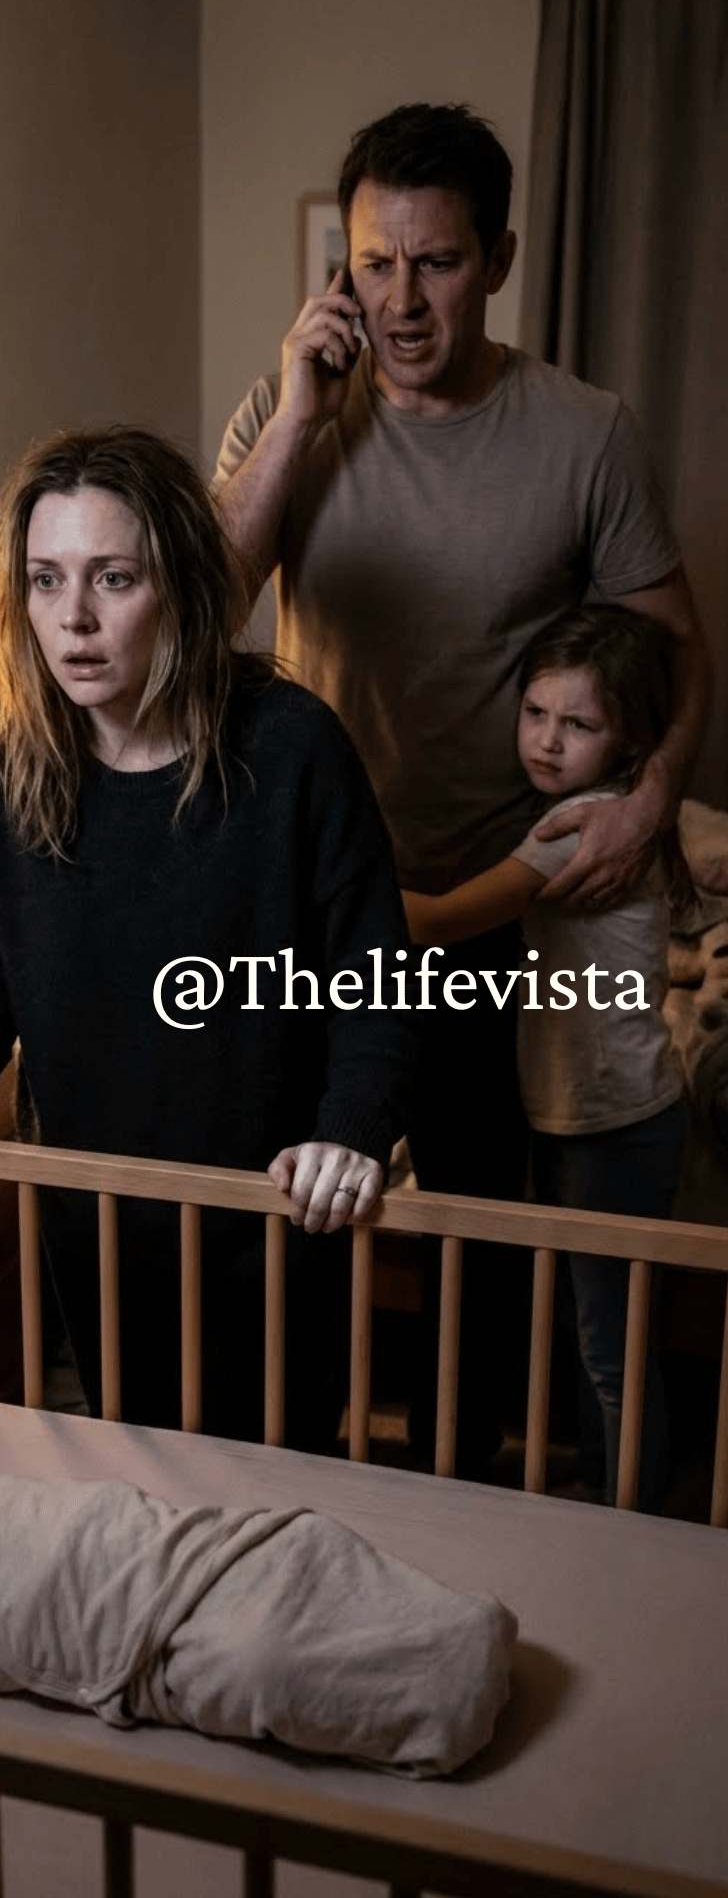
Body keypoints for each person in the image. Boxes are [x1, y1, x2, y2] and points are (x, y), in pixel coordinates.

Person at [213, 100, 708, 1474]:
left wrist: (650, 799)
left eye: (435, 263)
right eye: (375, 263)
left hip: (490, 906)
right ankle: (289, 1487)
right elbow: (203, 608)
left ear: (498, 258)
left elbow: (677, 649)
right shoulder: (290, 408)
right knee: (299, 1217)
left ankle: (469, 1490)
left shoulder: (586, 432)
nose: (402, 300)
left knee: (480, 1239)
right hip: (319, 902)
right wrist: (300, 417)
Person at [0, 425, 416, 1447]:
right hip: (95, 1210)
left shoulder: (292, 744)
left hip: (278, 1207)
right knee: (134, 1461)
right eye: (45, 580)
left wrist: (354, 1130)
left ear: (179, 584)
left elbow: (377, 974)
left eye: (113, 578)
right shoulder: (4, 753)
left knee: (280, 1478)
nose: (73, 618)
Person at [0, 1429, 517, 1778]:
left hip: (191, 1556)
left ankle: (449, 1629)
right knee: (258, 1661)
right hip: (154, 1638)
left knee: (303, 1547)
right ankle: (438, 1696)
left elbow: (98, 1523)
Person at [403, 606, 690, 1507]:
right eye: (535, 713)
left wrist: (330, 877)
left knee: (610, 1343)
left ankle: (632, 1513)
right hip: (589, 1111)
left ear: (631, 739)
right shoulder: (594, 811)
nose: (548, 741)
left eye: (579, 724)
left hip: (616, 1120)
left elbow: (444, 920)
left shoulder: (577, 823)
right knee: (593, 1325)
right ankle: (608, 1484)